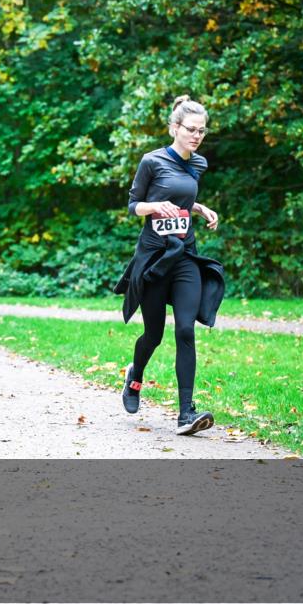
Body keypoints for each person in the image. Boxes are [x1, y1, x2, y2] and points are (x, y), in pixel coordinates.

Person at [114, 95, 226, 436]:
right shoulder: (152, 161)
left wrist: (199, 208)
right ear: (174, 128)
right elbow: (133, 206)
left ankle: (186, 414)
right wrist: (153, 206)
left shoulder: (199, 164)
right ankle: (134, 378)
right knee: (154, 334)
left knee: (186, 330)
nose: (196, 136)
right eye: (191, 130)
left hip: (184, 256)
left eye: (202, 131)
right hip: (153, 259)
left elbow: (182, 198)